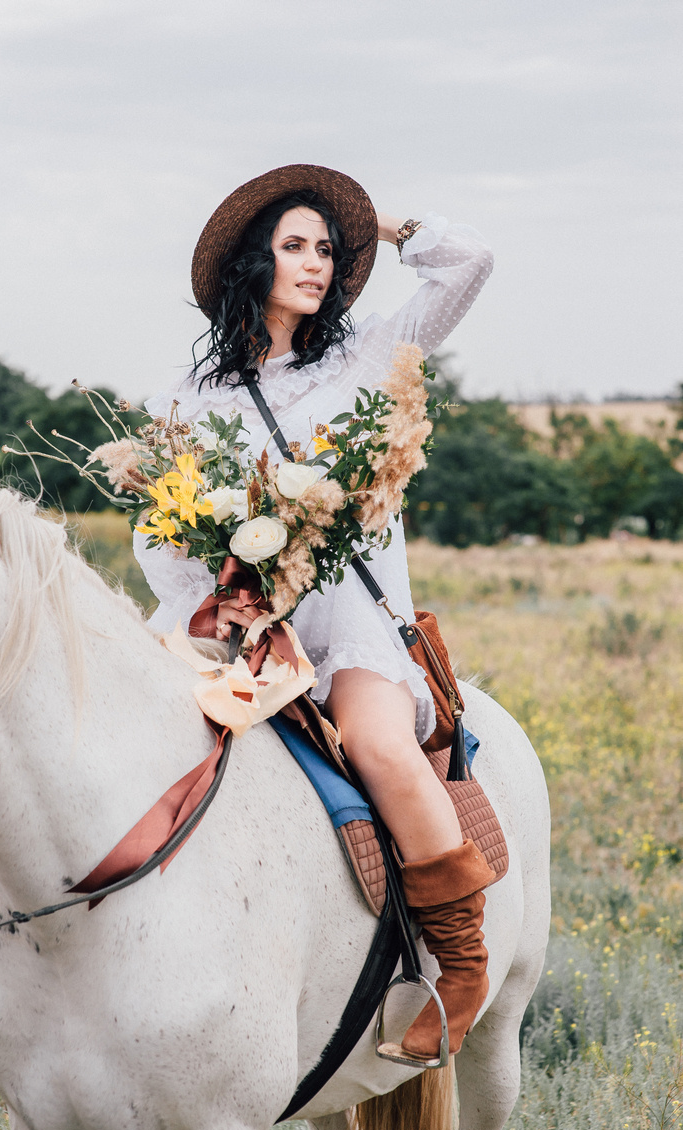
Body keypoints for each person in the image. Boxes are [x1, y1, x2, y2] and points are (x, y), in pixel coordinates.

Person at [134, 164, 496, 1062]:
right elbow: (161, 538)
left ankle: (461, 962)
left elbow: (472, 265)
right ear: (253, 263)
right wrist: (210, 605)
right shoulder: (192, 403)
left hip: (351, 632)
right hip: (252, 633)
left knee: (375, 743)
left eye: (328, 249)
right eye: (295, 246)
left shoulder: (367, 355)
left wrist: (391, 225)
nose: (317, 264)